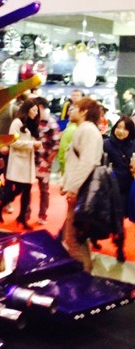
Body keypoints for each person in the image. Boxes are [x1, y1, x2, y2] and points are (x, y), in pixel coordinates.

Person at [61, 97, 104, 273]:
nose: (71, 110)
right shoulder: (87, 129)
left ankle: (83, 276)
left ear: (84, 111)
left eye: (75, 107)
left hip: (81, 192)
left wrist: (73, 188)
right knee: (77, 236)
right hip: (82, 190)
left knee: (73, 239)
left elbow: (87, 163)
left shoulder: (87, 130)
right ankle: (85, 271)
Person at [0, 98, 41, 230]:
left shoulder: (32, 123)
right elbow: (13, 141)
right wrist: (32, 144)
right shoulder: (17, 122)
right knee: (19, 189)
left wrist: (35, 145)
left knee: (26, 190)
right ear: (27, 109)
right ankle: (0, 206)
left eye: (37, 110)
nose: (36, 113)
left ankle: (21, 217)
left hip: (27, 162)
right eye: (34, 110)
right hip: (18, 162)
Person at [103, 116, 135, 262]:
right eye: (118, 127)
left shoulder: (133, 145)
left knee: (121, 218)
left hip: (129, 187)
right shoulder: (106, 144)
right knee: (118, 219)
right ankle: (119, 248)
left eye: (125, 129)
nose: (121, 131)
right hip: (112, 188)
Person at [34, 97, 60, 224]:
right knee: (25, 188)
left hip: (44, 160)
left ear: (41, 107)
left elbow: (56, 145)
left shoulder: (51, 122)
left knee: (44, 189)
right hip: (30, 160)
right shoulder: (31, 120)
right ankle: (25, 214)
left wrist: (49, 161)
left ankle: (42, 215)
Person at [57, 102, 80, 175]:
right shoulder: (69, 126)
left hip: (69, 166)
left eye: (72, 110)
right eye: (69, 110)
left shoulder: (76, 129)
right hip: (64, 164)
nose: (69, 112)